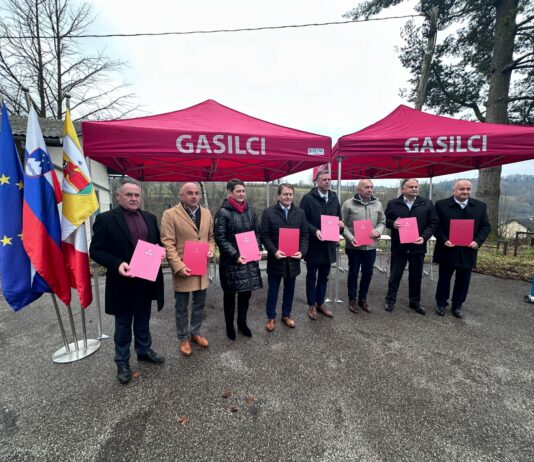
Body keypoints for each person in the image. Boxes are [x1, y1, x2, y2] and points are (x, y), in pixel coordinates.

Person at [90, 178, 165, 385]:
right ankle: (122, 362)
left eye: (137, 195)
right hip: (122, 282)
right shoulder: (105, 219)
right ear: (118, 197)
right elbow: (95, 250)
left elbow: (156, 244)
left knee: (143, 319)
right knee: (123, 325)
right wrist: (117, 264)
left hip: (146, 280)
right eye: (129, 195)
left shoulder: (150, 217)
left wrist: (160, 252)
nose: (133, 198)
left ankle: (144, 350)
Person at [160, 182, 215, 356]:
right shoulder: (170, 214)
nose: (194, 196)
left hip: (201, 266)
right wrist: (178, 266)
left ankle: (195, 332)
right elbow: (168, 243)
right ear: (181, 195)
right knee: (181, 307)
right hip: (184, 267)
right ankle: (183, 337)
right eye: (190, 193)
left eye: (197, 193)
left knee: (199, 304)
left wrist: (211, 250)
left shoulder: (206, 213)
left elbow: (210, 237)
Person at [433, 179, 490, 318]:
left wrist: (478, 241)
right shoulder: (441, 205)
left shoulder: (480, 206)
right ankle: (441, 303)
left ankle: (457, 305)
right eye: (462, 189)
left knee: (463, 280)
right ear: (454, 190)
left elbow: (486, 226)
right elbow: (435, 224)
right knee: (444, 278)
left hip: (468, 250)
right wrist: (443, 239)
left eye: (468, 189)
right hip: (447, 248)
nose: (465, 192)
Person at [214, 179, 263, 340]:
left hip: (249, 260)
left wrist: (256, 248)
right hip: (231, 262)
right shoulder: (223, 212)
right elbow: (220, 238)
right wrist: (235, 255)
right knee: (230, 296)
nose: (242, 194)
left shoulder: (250, 210)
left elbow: (257, 232)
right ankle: (230, 326)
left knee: (245, 295)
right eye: (238, 191)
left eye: (243, 191)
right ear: (230, 192)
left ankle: (242, 323)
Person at [384, 178, 438, 314]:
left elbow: (433, 222)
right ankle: (390, 300)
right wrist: (393, 224)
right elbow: (385, 220)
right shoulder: (393, 203)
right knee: (395, 275)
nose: (414, 189)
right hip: (399, 247)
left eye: (416, 186)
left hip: (417, 246)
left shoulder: (426, 203)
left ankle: (415, 302)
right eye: (410, 187)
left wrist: (424, 237)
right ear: (403, 189)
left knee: (416, 276)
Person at [261, 183, 308, 331]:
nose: (288, 197)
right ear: (278, 196)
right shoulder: (268, 212)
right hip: (276, 259)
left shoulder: (300, 213)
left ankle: (286, 315)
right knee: (273, 290)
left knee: (290, 289)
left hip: (293, 260)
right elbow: (264, 236)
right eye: (285, 194)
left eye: (290, 194)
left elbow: (305, 235)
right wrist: (274, 251)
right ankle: (271, 317)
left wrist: (302, 252)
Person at [299, 170, 343, 320]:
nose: (327, 182)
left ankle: (320, 303)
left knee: (324, 277)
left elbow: (338, 219)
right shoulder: (308, 198)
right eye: (324, 179)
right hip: (314, 245)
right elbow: (302, 220)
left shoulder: (334, 198)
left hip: (328, 245)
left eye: (329, 179)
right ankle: (311, 305)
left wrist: (341, 225)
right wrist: (314, 231)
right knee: (312, 276)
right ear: (317, 182)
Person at [341, 179, 386, 313]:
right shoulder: (348, 204)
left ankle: (363, 299)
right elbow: (341, 224)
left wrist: (378, 231)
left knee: (368, 273)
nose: (370, 190)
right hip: (354, 247)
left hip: (371, 246)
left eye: (371, 187)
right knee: (353, 273)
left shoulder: (378, 204)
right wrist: (351, 238)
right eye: (366, 187)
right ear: (358, 189)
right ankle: (352, 299)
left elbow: (382, 222)